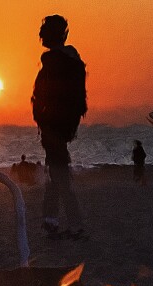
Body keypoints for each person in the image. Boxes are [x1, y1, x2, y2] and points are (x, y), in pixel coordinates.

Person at [32, 14, 87, 241]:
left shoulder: (55, 62)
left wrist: (43, 118)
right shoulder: (72, 61)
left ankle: (73, 225)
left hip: (54, 125)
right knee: (56, 171)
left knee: (59, 173)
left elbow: (45, 96)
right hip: (61, 125)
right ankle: (52, 221)